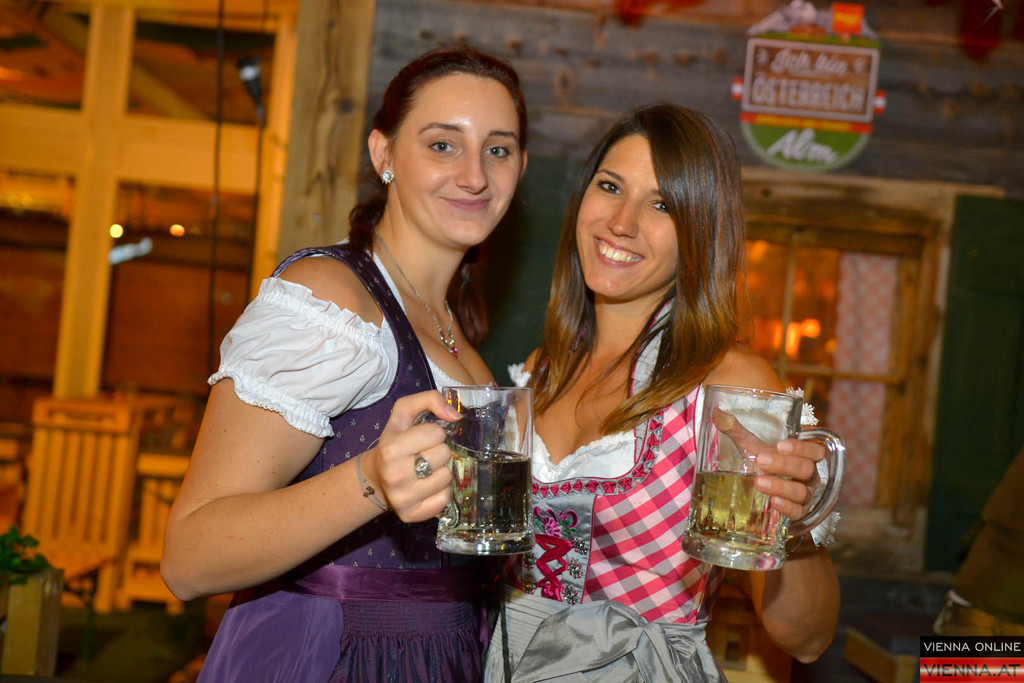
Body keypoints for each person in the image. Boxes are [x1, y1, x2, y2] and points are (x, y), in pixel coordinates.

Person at [161, 45, 528, 682]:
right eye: (443, 145)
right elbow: (189, 558)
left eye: (497, 150)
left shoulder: (458, 334)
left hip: (441, 658)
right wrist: (371, 481)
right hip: (331, 655)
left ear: (520, 167)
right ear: (384, 154)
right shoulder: (331, 302)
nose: (475, 175)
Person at [484, 104, 840, 681]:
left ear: (700, 232)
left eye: (662, 205)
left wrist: (790, 524)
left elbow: (806, 639)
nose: (621, 222)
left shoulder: (729, 387)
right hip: (500, 662)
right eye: (610, 187)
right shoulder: (541, 368)